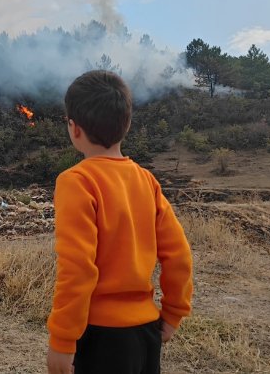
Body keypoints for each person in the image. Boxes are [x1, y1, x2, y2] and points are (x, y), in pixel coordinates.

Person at [46, 70, 194, 374]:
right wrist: (173, 312)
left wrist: (62, 340)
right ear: (126, 125)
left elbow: (77, 268)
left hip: (101, 337)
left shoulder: (76, 181)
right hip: (146, 332)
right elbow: (178, 254)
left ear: (74, 129)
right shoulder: (146, 180)